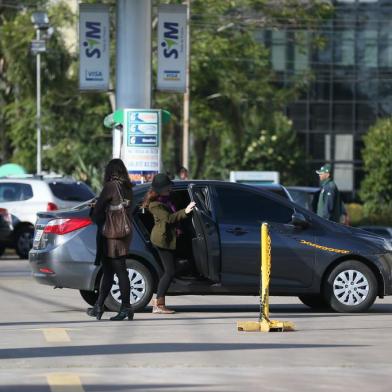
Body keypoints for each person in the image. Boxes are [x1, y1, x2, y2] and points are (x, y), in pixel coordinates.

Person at [88, 159, 134, 321]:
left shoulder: (111, 186)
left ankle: (126, 308)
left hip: (112, 235)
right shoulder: (128, 187)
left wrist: (94, 207)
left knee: (119, 271)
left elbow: (98, 211)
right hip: (124, 233)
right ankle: (99, 306)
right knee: (109, 271)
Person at [142, 173, 195, 314]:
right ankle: (158, 304)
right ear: (159, 189)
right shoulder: (155, 204)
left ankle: (159, 303)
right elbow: (170, 218)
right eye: (166, 188)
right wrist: (186, 210)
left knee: (170, 270)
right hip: (162, 240)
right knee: (169, 272)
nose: (169, 189)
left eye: (169, 187)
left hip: (170, 237)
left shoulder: (167, 199)